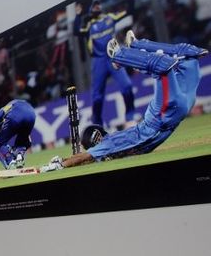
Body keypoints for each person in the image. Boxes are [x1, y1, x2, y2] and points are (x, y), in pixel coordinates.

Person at [41, 31, 206, 172]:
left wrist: (63, 160)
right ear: (97, 139)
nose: (103, 135)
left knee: (190, 58)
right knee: (165, 66)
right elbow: (86, 156)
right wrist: (61, 164)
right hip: (162, 116)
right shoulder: (111, 144)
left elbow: (87, 156)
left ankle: (136, 45)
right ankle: (121, 56)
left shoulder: (113, 146)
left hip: (178, 107)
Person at [74, 0, 136, 127]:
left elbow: (129, 11)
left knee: (127, 86)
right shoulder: (88, 25)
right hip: (98, 61)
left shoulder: (110, 17)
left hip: (114, 58)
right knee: (97, 97)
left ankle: (130, 118)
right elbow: (76, 32)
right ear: (90, 9)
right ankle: (97, 125)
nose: (97, 7)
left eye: (98, 5)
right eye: (94, 6)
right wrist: (78, 15)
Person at [0, 99, 36, 169]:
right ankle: (19, 157)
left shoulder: (3, 110)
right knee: (22, 141)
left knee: (0, 143)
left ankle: (11, 162)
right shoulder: (18, 104)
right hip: (32, 115)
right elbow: (29, 142)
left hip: (15, 117)